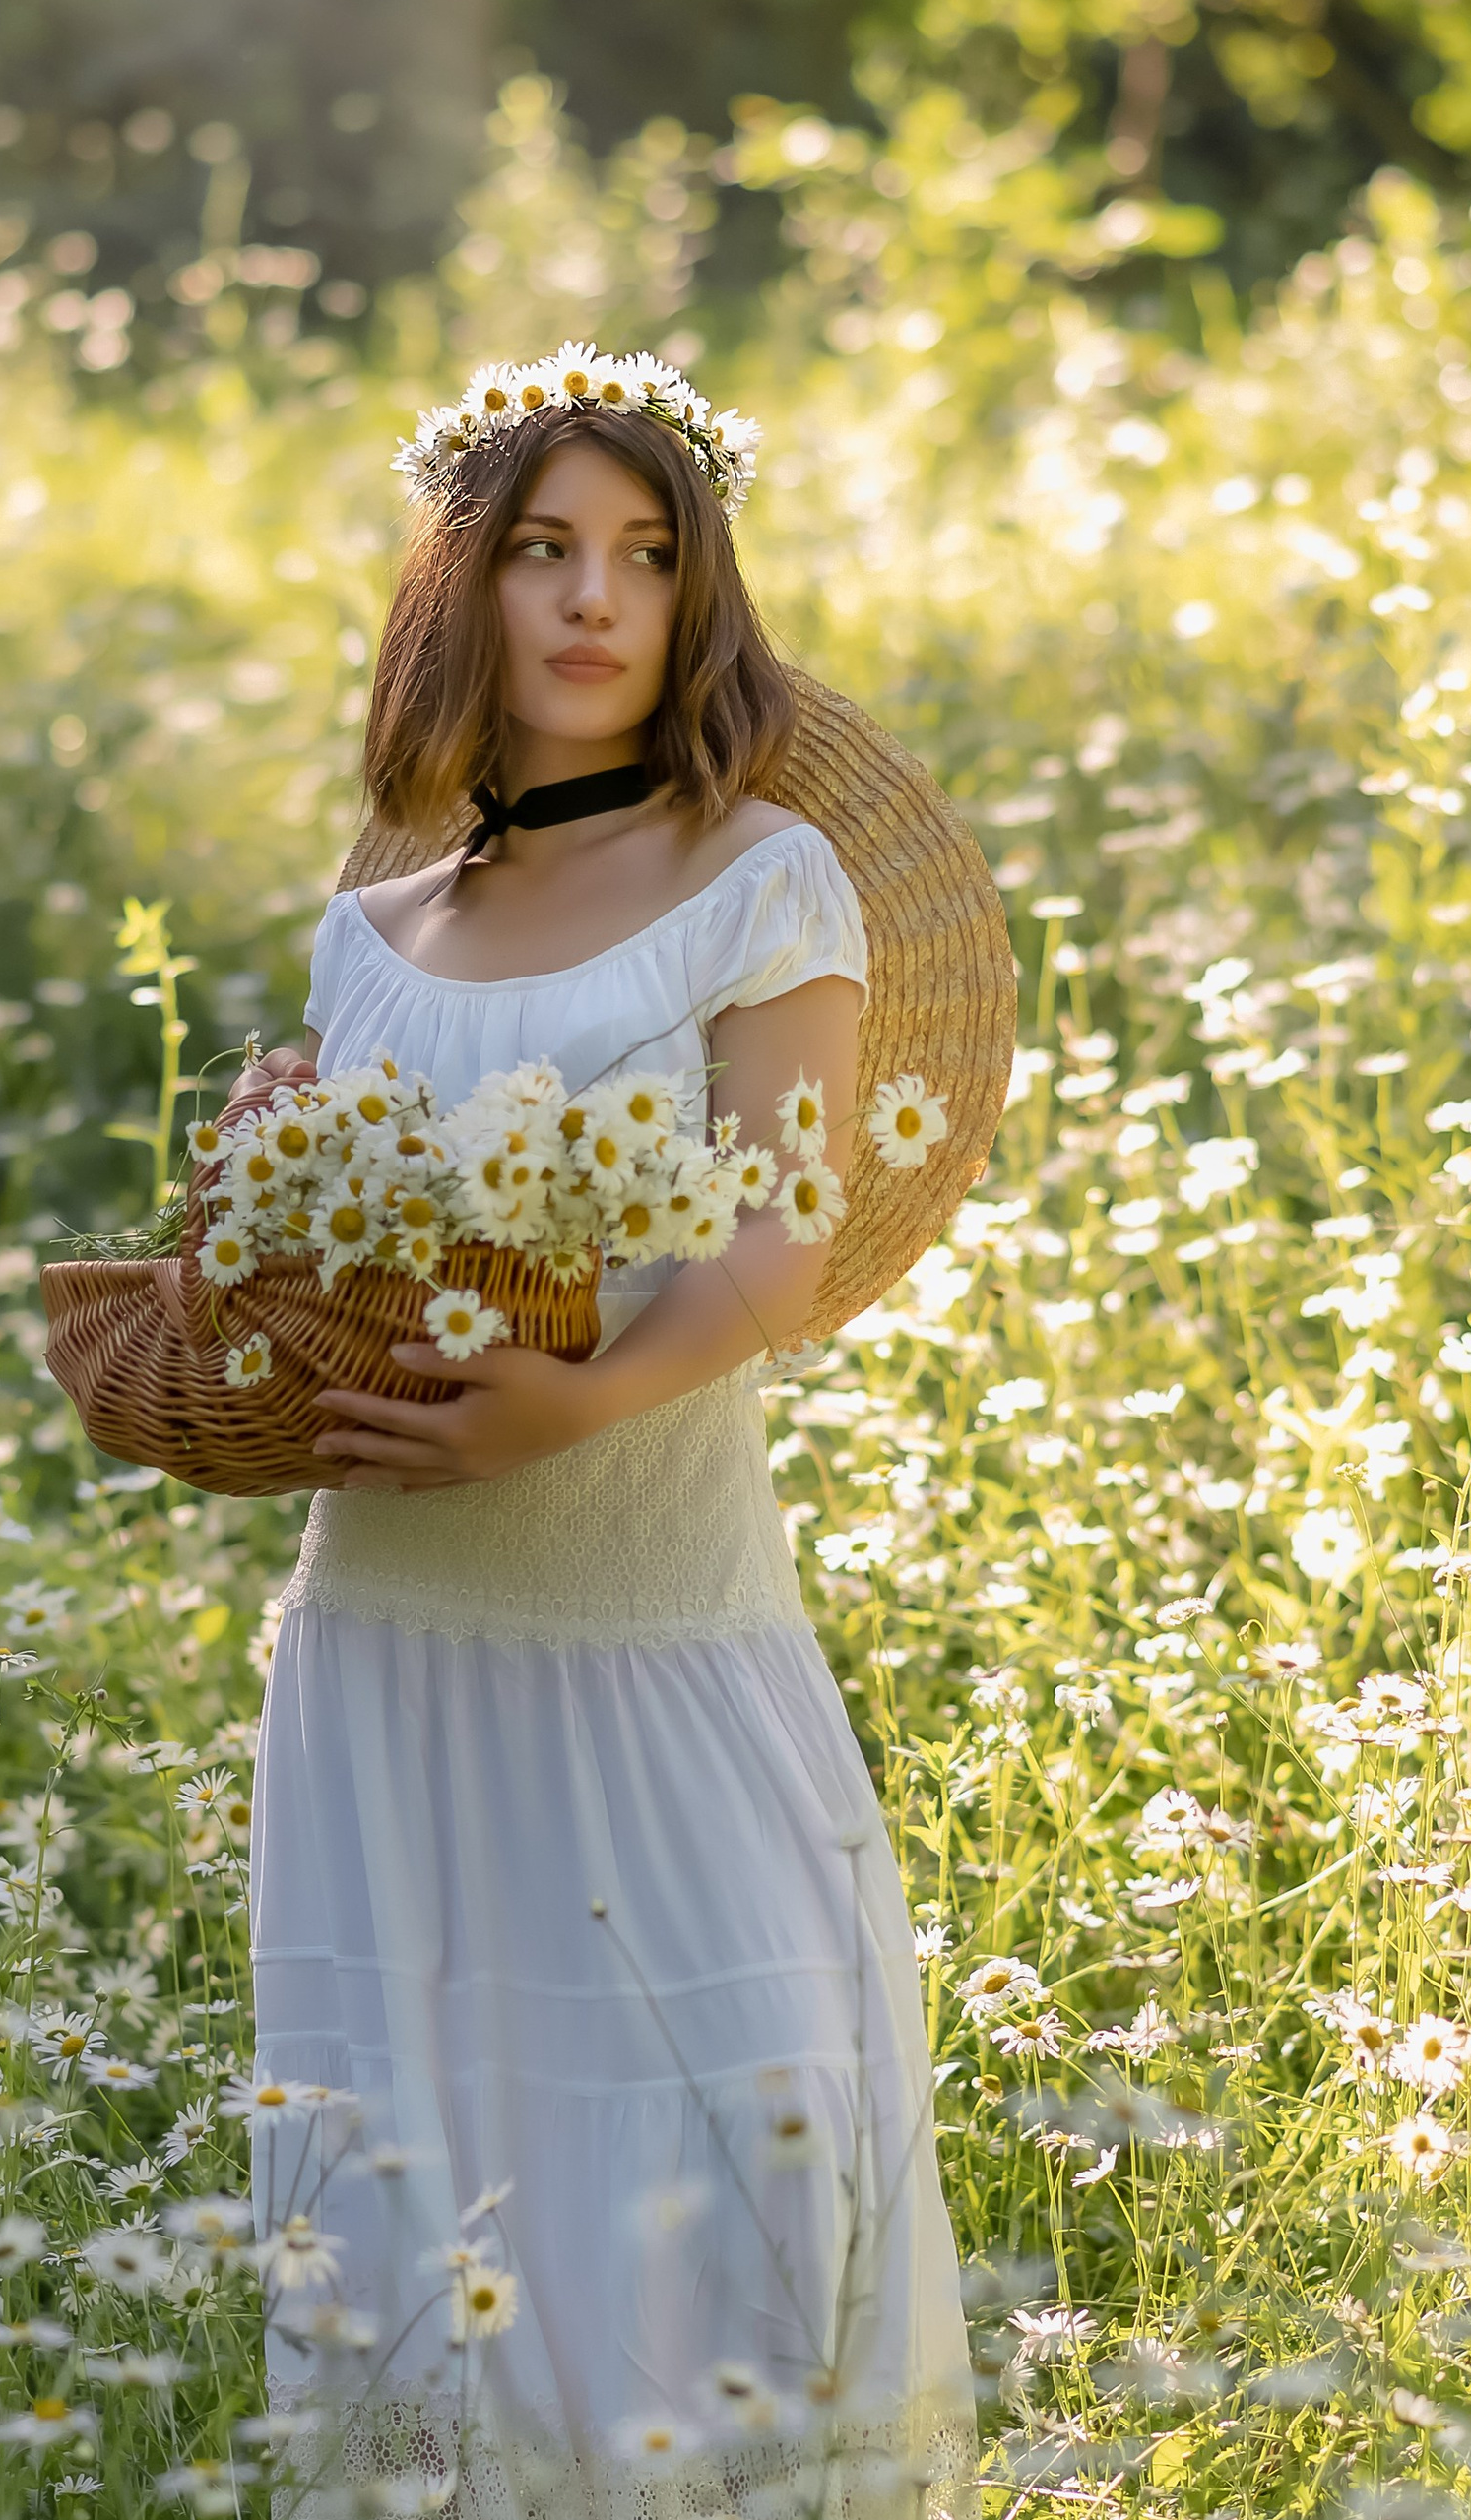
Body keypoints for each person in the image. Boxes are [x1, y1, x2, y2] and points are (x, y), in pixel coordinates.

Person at [229, 346, 978, 2517]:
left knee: (705, 2117)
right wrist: (261, 1192)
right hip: (387, 1628)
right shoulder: (372, 932)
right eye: (542, 548)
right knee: (424, 2148)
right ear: (459, 584)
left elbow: (771, 1254)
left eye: (641, 557)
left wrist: (568, 1402)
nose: (590, 598)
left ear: (694, 597)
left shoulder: (764, 882)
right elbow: (334, 1269)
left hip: (644, 1602)